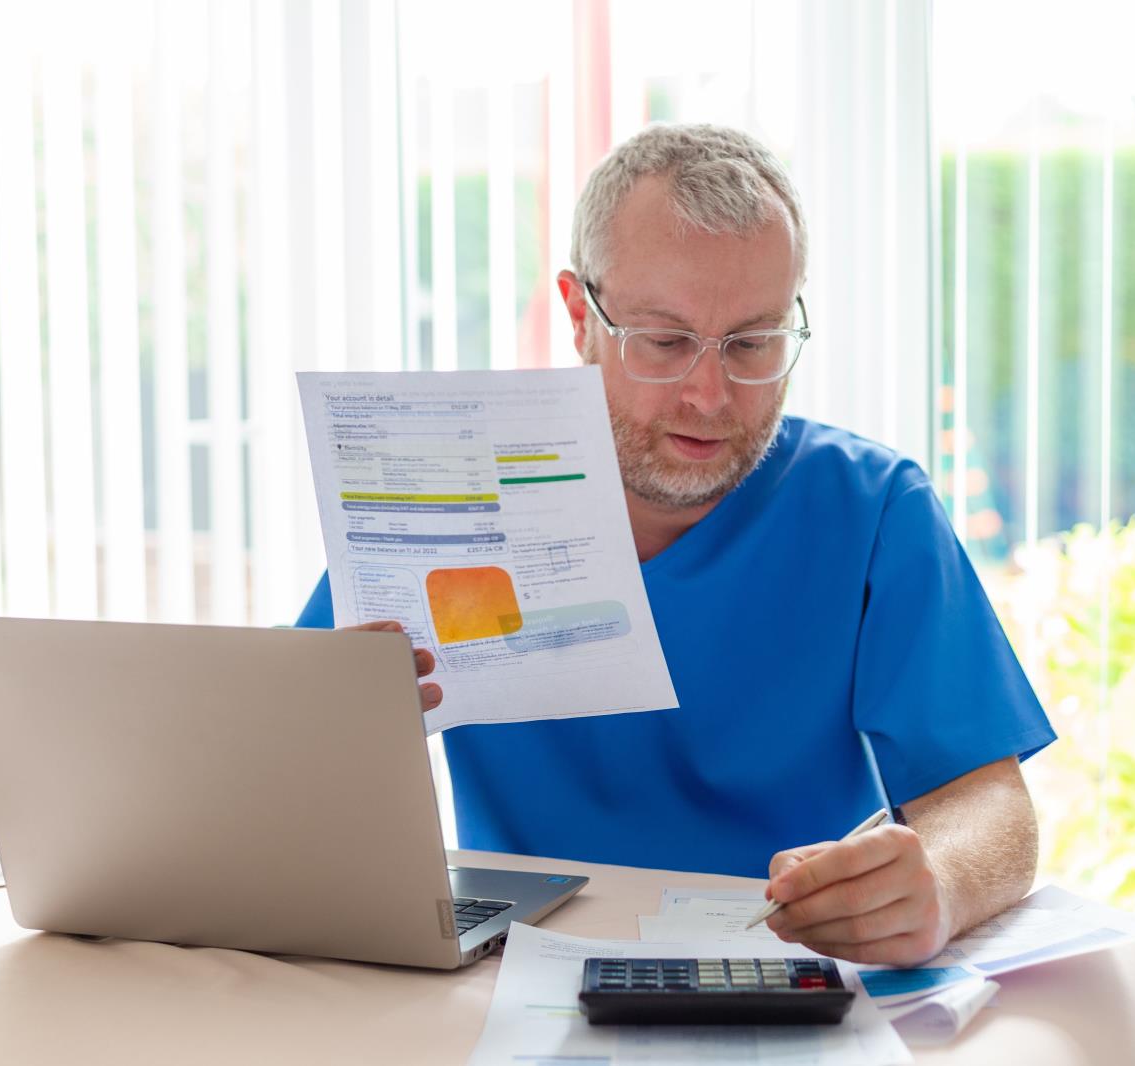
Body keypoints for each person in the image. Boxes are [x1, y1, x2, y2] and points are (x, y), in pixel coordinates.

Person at [297, 123, 1055, 966]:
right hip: (509, 980)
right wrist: (328, 730)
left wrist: (941, 884)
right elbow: (264, 767)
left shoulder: (868, 507)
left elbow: (990, 801)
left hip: (784, 975)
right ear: (580, 315)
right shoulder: (443, 500)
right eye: (664, 341)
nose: (709, 393)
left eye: (752, 342)